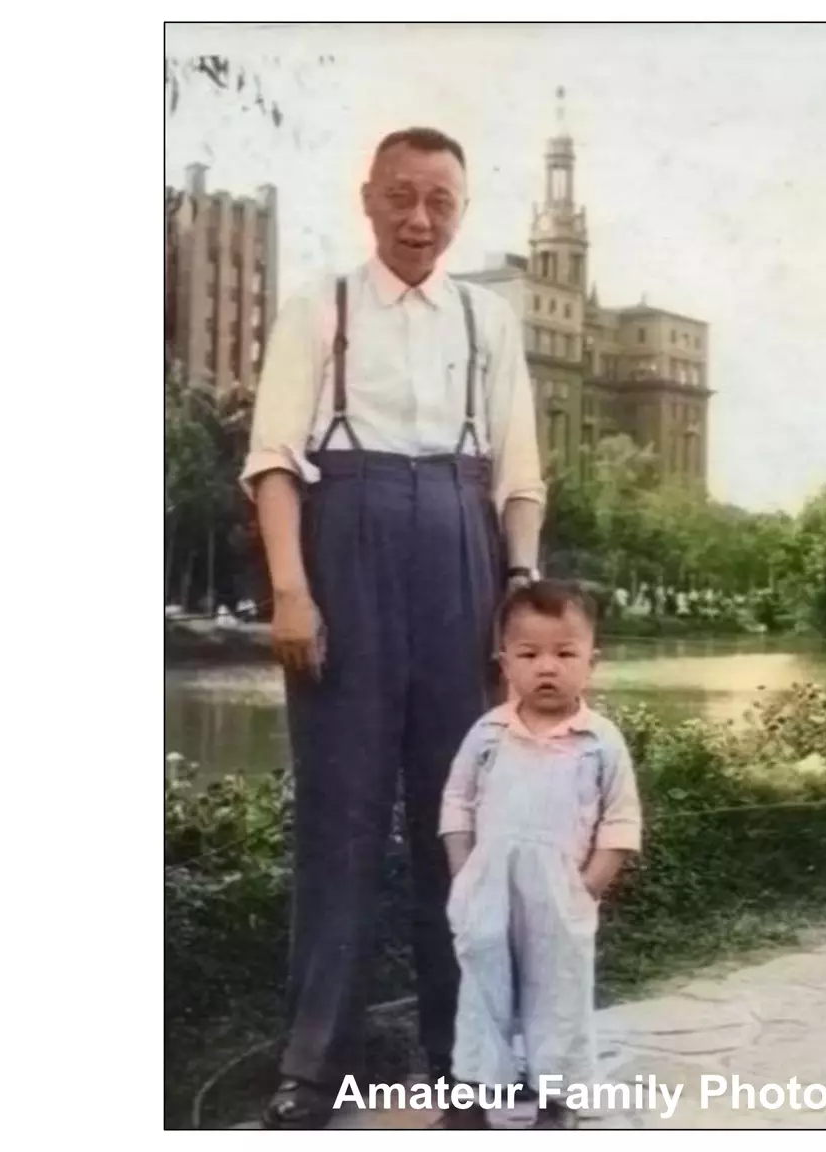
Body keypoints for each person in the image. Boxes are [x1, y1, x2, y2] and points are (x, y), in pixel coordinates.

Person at [241, 126, 546, 1128]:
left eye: (440, 202)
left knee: (456, 820)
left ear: (461, 209)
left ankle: (462, 1059)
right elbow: (275, 459)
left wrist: (518, 592)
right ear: (368, 199)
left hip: (459, 555)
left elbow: (516, 475)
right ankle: (310, 1065)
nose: (420, 220)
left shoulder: (485, 319)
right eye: (401, 198)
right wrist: (292, 588)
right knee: (339, 817)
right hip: (346, 550)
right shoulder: (318, 308)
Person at [435, 580, 642, 1130]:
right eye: (529, 654)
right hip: (490, 887)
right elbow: (456, 801)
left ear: (591, 662)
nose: (546, 667)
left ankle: (557, 1100)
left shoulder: (600, 741)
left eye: (564, 653)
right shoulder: (488, 733)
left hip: (561, 890)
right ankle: (472, 1099)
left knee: (558, 990)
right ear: (505, 662)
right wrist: (465, 872)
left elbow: (621, 822)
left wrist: (588, 887)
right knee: (483, 986)